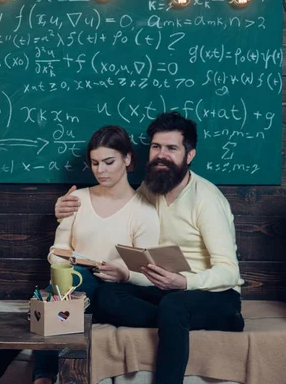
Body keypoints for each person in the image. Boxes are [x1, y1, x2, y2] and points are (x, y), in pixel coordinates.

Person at [54, 112, 244, 384]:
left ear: (189, 155)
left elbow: (229, 271)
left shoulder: (207, 199)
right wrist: (62, 211)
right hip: (164, 285)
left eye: (172, 148)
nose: (161, 155)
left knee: (174, 306)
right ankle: (176, 321)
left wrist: (184, 282)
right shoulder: (150, 188)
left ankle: (219, 322)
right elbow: (120, 212)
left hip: (211, 291)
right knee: (107, 295)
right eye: (156, 147)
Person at [0, 125, 160, 384]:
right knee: (69, 286)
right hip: (71, 287)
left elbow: (144, 269)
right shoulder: (77, 199)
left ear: (127, 159)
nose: (101, 170)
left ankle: (30, 367)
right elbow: (56, 252)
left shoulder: (144, 210)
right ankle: (42, 376)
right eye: (95, 163)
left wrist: (121, 272)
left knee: (64, 292)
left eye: (109, 162)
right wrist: (69, 263)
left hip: (113, 292)